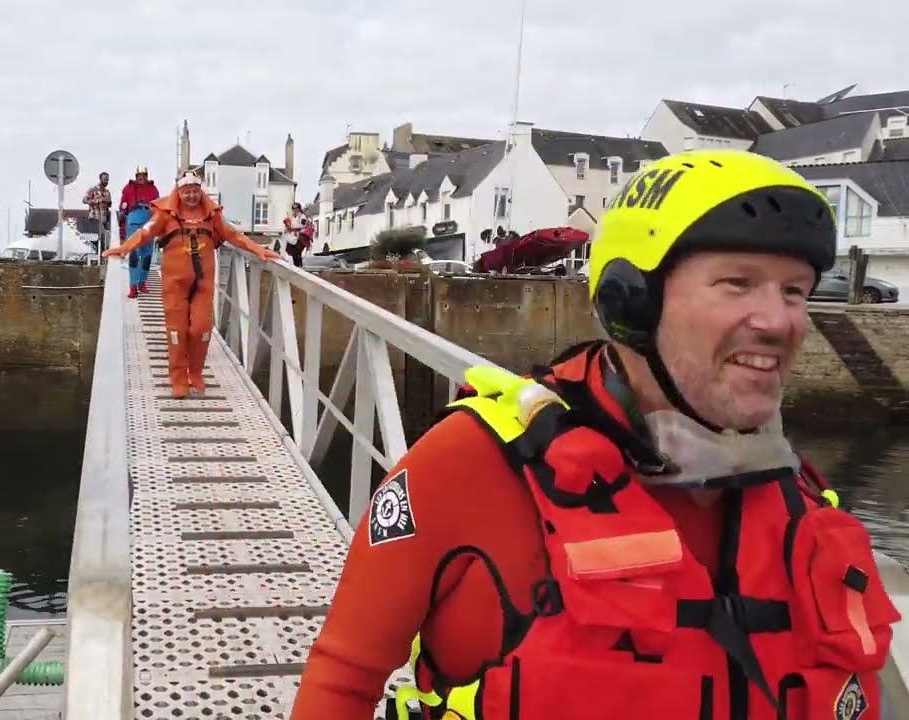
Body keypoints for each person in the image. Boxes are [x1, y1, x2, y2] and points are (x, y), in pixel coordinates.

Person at [290, 149, 900, 720]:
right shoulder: (467, 467)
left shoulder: (801, 504)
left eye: (794, 291)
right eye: (737, 284)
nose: (779, 321)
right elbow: (343, 679)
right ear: (631, 301)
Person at [103, 172, 280, 397]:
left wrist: (258, 250)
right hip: (174, 282)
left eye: (195, 191)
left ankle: (195, 374)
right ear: (179, 192)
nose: (191, 196)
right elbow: (144, 233)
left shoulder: (211, 214)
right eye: (187, 192)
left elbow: (233, 235)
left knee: (201, 329)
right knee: (177, 331)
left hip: (203, 282)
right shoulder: (166, 214)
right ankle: (178, 378)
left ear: (200, 191)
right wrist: (124, 248)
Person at [119, 165, 160, 297]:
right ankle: (133, 286)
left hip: (149, 222)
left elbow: (158, 207)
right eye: (139, 176)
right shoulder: (129, 188)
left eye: (144, 175)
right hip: (134, 222)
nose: (141, 178)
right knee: (134, 255)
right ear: (136, 176)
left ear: (147, 176)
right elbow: (123, 207)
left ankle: (142, 282)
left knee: (147, 255)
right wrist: (122, 229)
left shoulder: (153, 189)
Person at [82, 171, 113, 253]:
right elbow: (84, 200)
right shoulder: (93, 189)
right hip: (94, 220)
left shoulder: (107, 192)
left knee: (103, 242)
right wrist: (96, 201)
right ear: (100, 179)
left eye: (107, 180)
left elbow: (109, 205)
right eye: (105, 179)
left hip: (103, 220)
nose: (106, 181)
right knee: (94, 242)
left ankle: (100, 258)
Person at [282, 202, 314, 267]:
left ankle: (299, 266)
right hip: (293, 237)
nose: (294, 210)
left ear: (299, 209)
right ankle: (296, 266)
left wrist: (292, 228)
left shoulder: (302, 216)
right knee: (293, 252)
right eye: (293, 208)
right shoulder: (293, 217)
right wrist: (288, 228)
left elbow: (302, 225)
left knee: (297, 252)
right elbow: (293, 225)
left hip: (301, 237)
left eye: (296, 208)